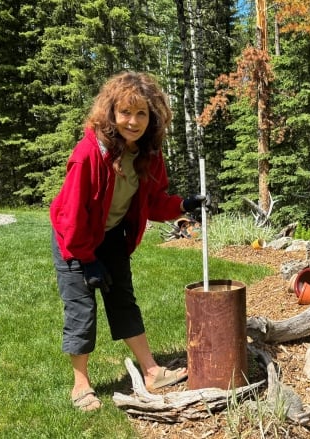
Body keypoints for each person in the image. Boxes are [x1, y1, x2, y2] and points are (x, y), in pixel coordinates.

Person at [50, 71, 204, 411]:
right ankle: (80, 384)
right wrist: (84, 258)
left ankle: (151, 371)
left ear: (152, 117)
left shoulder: (147, 153)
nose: (133, 121)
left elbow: (152, 201)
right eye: (125, 113)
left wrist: (182, 205)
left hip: (112, 235)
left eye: (141, 114)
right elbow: (70, 214)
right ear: (111, 113)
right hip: (74, 238)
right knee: (81, 309)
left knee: (123, 300)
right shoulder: (89, 153)